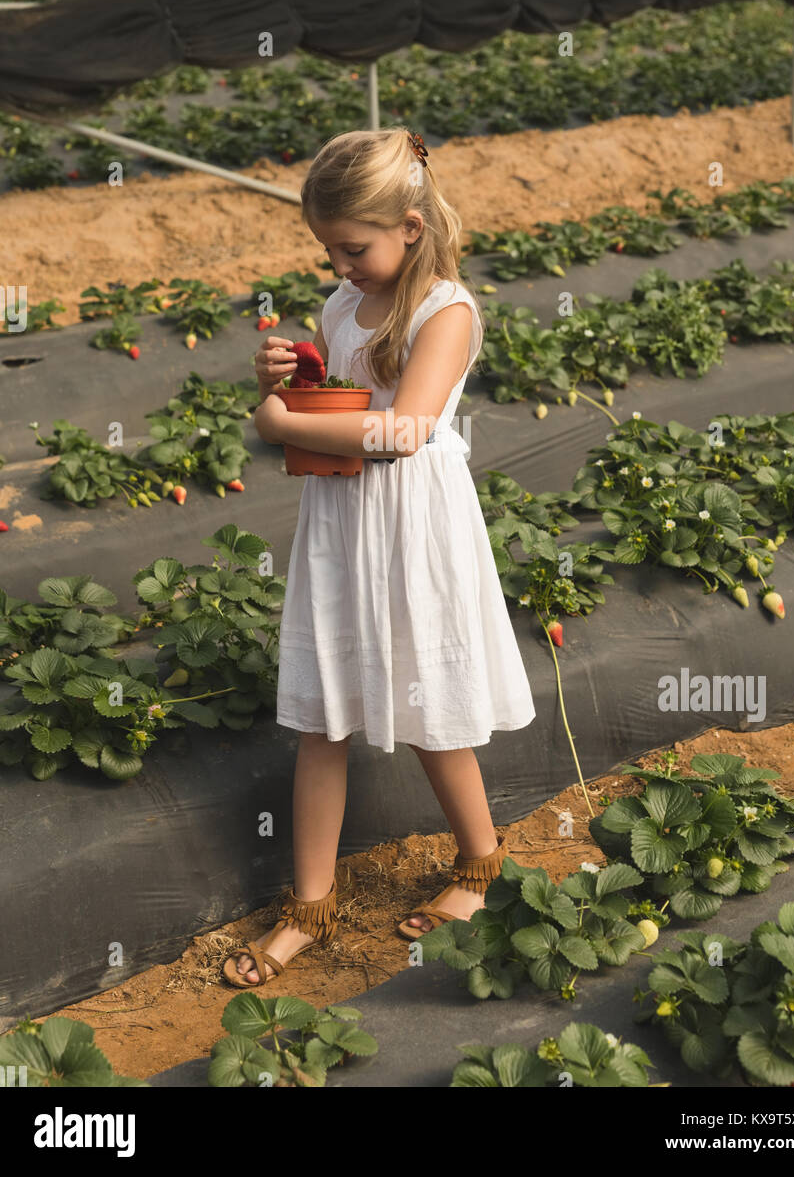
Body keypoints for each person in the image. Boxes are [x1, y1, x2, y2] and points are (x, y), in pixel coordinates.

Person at [222, 127, 536, 988]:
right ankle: (310, 906)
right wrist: (283, 381)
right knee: (322, 714)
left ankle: (479, 860)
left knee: (427, 700)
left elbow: (406, 430)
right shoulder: (340, 304)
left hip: (414, 527)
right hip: (341, 524)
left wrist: (282, 425)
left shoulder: (449, 311)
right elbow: (342, 403)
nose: (341, 263)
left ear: (409, 224)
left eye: (352, 247)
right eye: (328, 249)